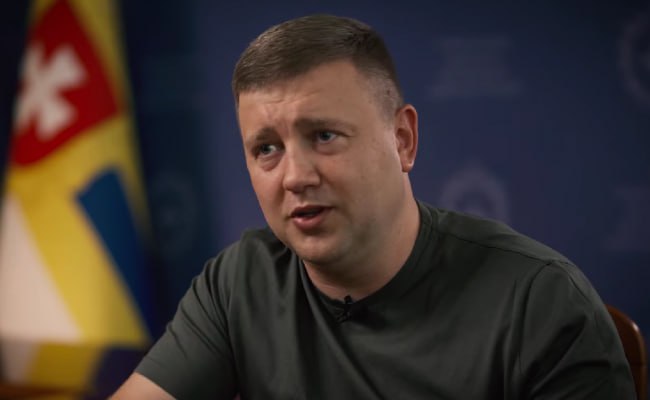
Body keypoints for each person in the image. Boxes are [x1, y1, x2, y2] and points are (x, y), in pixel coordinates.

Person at [113, 14, 635, 400]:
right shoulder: (238, 282)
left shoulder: (541, 303)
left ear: (402, 140)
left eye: (324, 135)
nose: (295, 176)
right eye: (266, 148)